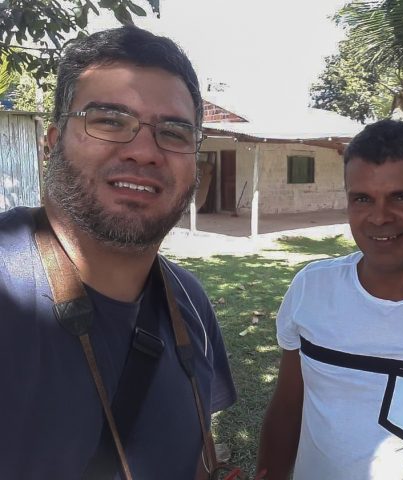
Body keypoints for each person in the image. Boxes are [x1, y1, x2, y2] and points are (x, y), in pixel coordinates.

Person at [0, 27, 236, 479]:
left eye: (174, 132)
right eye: (109, 121)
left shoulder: (189, 303)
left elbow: (192, 458)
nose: (145, 152)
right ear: (52, 142)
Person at [257, 119, 403, 479]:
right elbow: (288, 406)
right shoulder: (312, 289)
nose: (379, 217)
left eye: (402, 197)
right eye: (362, 199)